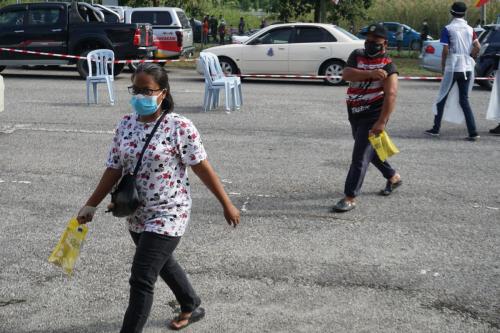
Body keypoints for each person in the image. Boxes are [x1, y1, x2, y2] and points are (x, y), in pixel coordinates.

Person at [77, 63, 241, 332]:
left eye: (147, 90)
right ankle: (191, 304)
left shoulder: (179, 126)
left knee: (142, 277)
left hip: (170, 212)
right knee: (162, 262)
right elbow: (113, 168)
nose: (141, 96)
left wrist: (227, 204)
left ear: (162, 93)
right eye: (136, 90)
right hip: (137, 211)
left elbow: (202, 167)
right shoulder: (125, 125)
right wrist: (91, 204)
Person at [333, 23, 402, 213]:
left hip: (373, 114)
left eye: (375, 41)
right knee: (368, 151)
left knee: (360, 156)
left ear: (385, 43)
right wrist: (370, 73)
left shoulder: (389, 66)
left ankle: (350, 197)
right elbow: (346, 74)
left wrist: (381, 121)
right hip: (355, 112)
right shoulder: (357, 55)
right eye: (368, 40)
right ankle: (393, 176)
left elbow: (391, 95)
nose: (370, 44)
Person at [425, 2, 481, 141]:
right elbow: (477, 46)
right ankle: (473, 132)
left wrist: (443, 66)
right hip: (467, 67)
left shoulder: (448, 28)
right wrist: (471, 56)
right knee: (464, 100)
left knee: (442, 97)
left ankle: (436, 128)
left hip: (453, 65)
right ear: (464, 13)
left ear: (452, 13)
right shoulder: (470, 29)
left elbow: (445, 50)